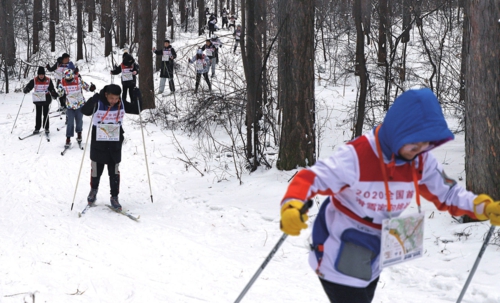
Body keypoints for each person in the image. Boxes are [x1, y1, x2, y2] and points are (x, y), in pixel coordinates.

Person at [279, 88, 500, 303]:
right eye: (415, 143)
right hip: (338, 250)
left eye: (426, 144)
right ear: (399, 132)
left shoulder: (420, 161)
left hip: (375, 250)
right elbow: (312, 178)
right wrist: (292, 205)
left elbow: (448, 194)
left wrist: (482, 207)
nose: (420, 150)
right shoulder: (357, 156)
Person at [81, 84, 141, 211]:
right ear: (106, 95)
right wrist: (93, 99)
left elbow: (137, 109)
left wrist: (137, 97)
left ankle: (114, 197)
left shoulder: (121, 103)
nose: (114, 101)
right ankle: (93, 190)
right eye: (111, 98)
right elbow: (84, 111)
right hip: (99, 142)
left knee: (114, 172)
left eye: (116, 98)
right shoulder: (98, 102)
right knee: (96, 170)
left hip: (114, 143)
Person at [57, 69, 96, 147]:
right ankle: (68, 138)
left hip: (79, 104)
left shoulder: (78, 80)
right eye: (67, 79)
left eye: (70, 79)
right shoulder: (62, 82)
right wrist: (55, 93)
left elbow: (86, 87)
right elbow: (60, 94)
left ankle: (79, 135)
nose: (68, 80)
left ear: (72, 76)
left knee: (79, 121)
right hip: (69, 105)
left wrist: (91, 88)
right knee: (70, 122)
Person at [22, 67, 58, 134]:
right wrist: (27, 89)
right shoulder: (34, 80)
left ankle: (46, 127)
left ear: (44, 74)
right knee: (38, 114)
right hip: (38, 98)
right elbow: (29, 86)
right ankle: (37, 128)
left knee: (45, 113)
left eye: (42, 74)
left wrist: (54, 94)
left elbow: (51, 89)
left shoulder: (48, 80)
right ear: (38, 74)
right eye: (40, 74)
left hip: (46, 97)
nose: (41, 76)